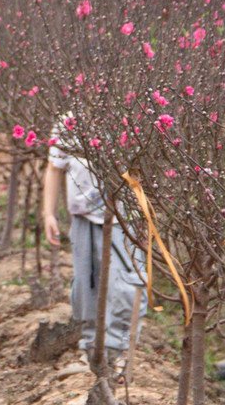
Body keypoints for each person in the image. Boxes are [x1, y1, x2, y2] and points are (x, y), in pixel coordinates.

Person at [41, 128, 146, 368]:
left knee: (126, 286)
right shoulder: (69, 122)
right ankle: (90, 349)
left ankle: (121, 351)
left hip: (124, 218)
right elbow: (54, 167)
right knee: (85, 286)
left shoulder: (128, 113)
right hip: (82, 217)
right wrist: (48, 213)